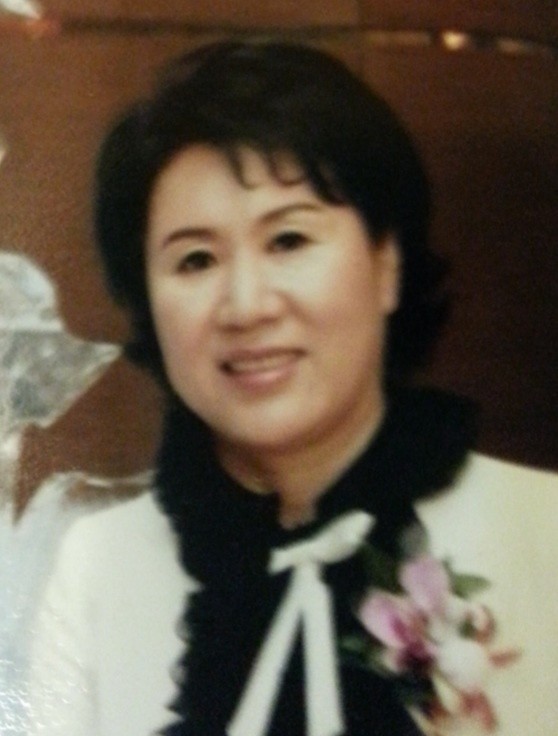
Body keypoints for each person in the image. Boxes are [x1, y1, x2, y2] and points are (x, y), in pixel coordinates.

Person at [26, 40, 557, 736]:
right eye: (196, 260)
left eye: (288, 241)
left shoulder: (543, 530)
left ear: (387, 264)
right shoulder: (98, 567)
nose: (246, 306)